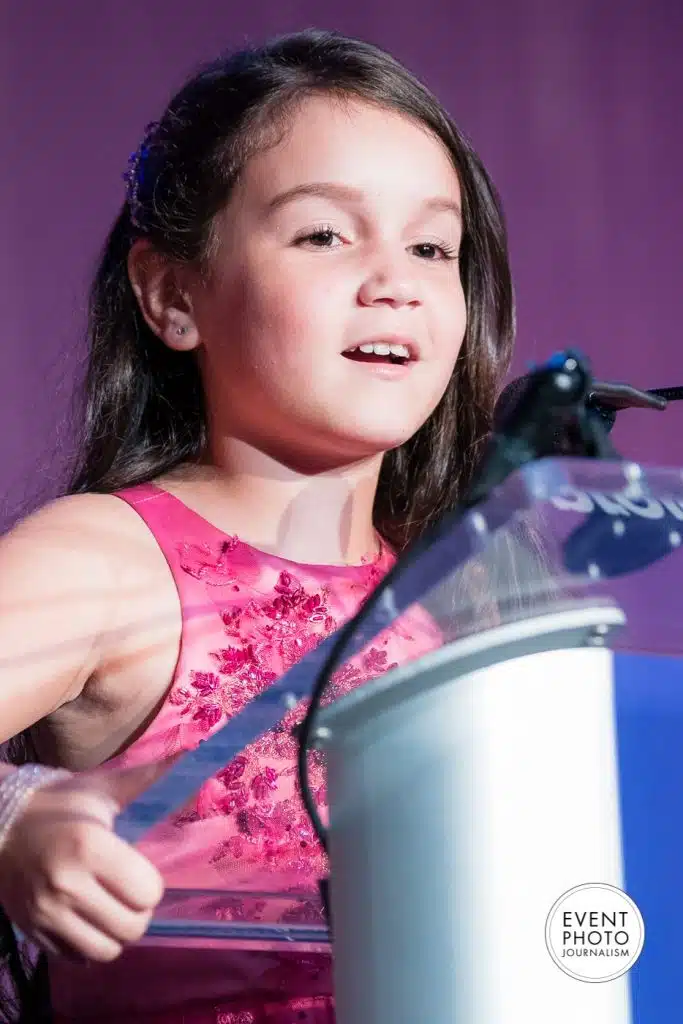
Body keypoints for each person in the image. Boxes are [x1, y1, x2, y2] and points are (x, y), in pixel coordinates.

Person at [0, 28, 514, 1023]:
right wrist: (11, 823)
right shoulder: (113, 557)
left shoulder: (454, 602)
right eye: (325, 234)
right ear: (172, 293)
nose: (393, 280)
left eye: (430, 246)